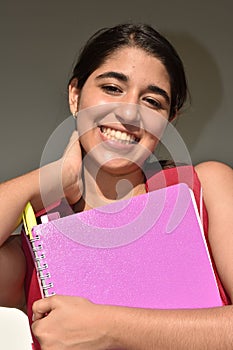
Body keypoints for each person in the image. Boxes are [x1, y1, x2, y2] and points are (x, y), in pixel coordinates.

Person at [0, 22, 232, 350]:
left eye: (152, 101)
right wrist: (53, 177)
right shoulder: (40, 239)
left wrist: (107, 326)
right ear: (75, 96)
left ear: (169, 120)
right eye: (112, 88)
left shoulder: (203, 192)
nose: (128, 112)